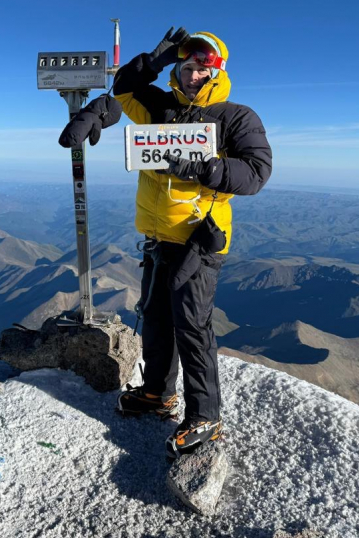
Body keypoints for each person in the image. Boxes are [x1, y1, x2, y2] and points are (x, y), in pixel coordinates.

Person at [59, 28, 272, 459]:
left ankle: (205, 415)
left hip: (199, 237)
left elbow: (256, 172)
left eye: (203, 68)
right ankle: (157, 393)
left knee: (191, 326)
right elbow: (125, 91)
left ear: (218, 71)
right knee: (155, 317)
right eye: (188, 66)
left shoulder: (235, 116)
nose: (194, 75)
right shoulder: (163, 107)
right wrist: (149, 64)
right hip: (157, 235)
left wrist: (207, 169)